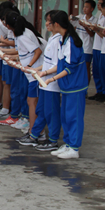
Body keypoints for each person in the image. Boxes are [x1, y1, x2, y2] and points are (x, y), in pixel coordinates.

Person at [43, 10, 89, 159]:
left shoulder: (71, 42)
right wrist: (46, 72)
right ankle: (68, 144)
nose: (48, 25)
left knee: (74, 116)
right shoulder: (63, 39)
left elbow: (70, 68)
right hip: (67, 87)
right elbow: (61, 64)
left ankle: (74, 148)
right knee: (65, 116)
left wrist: (53, 78)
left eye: (50, 22)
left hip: (75, 86)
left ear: (56, 24)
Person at [27, 10, 62, 151]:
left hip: (51, 84)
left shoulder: (59, 40)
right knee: (41, 110)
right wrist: (38, 69)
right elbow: (48, 62)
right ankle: (33, 135)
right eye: (46, 20)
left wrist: (45, 73)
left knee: (52, 112)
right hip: (44, 82)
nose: (47, 23)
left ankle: (53, 140)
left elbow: (58, 65)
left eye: (50, 21)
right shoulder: (52, 38)